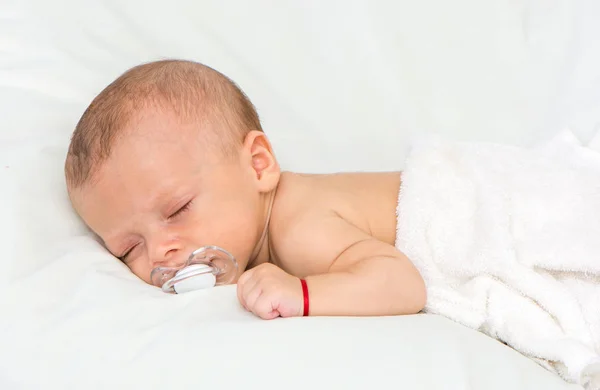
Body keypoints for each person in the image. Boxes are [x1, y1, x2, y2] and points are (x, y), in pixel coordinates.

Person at [64, 59, 426, 320]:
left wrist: (300, 294)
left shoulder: (298, 224)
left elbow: (402, 284)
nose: (160, 252)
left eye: (177, 210)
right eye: (128, 249)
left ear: (258, 165)